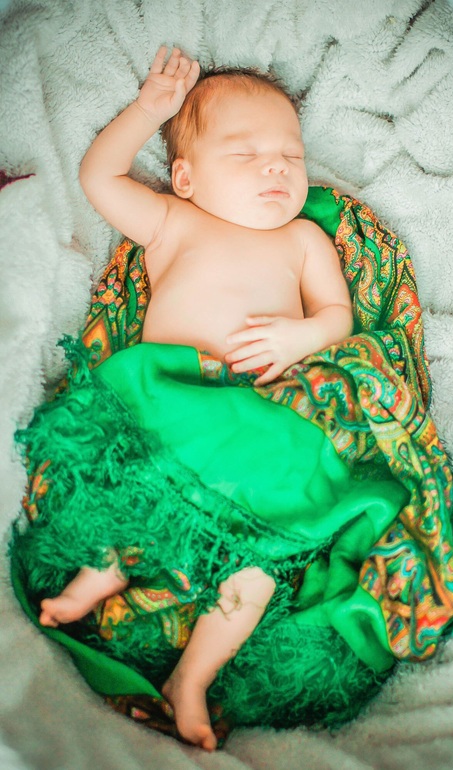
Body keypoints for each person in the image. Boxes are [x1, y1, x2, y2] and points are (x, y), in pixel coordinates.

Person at [38, 46, 353, 751]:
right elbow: (98, 176)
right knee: (136, 481)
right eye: (246, 154)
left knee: (264, 554)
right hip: (171, 395)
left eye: (291, 156)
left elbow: (337, 316)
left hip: (250, 421)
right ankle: (104, 569)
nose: (276, 168)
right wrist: (148, 110)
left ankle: (192, 678)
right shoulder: (172, 221)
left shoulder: (303, 239)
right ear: (184, 177)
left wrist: (300, 336)